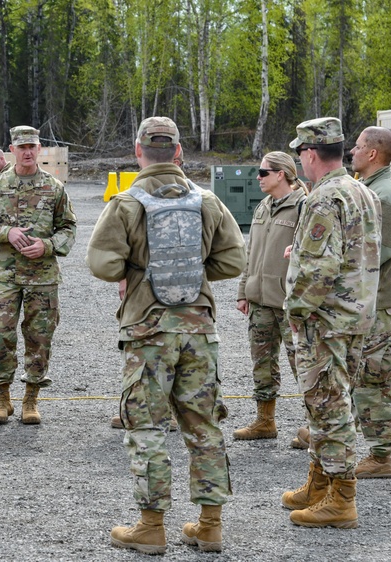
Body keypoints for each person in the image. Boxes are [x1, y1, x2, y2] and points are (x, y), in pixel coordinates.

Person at [88, 117, 246, 554]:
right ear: (178, 152)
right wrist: (193, 272)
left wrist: (141, 274)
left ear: (138, 151)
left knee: (147, 426)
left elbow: (102, 265)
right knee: (204, 425)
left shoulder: (126, 203)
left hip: (148, 328)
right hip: (199, 328)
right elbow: (233, 260)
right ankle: (210, 525)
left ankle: (151, 526)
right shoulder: (207, 200)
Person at [281, 117, 381, 529]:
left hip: (326, 320)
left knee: (328, 405)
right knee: (327, 403)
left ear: (309, 153)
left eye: (299, 153)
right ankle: (319, 483)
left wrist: (296, 311)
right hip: (354, 315)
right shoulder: (360, 189)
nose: (299, 160)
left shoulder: (324, 198)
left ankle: (341, 497)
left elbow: (318, 268)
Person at [0, 126, 77, 425]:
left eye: (32, 146)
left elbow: (69, 228)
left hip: (42, 276)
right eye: (22, 147)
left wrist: (47, 246)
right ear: (12, 149)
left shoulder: (54, 187)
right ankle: (2, 397)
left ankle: (31, 398)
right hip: (5, 275)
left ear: (40, 148)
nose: (28, 151)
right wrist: (7, 232)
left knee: (39, 337)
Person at [233, 152, 307, 441]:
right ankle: (265, 421)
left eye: (264, 172)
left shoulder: (303, 205)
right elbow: (251, 253)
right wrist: (244, 290)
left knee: (303, 366)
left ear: (282, 174)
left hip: (290, 303)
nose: (258, 177)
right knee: (262, 364)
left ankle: (316, 427)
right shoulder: (263, 206)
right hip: (259, 301)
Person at [349, 126, 391, 479]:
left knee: (376, 379)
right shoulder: (372, 190)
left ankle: (380, 455)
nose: (351, 152)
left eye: (357, 147)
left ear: (373, 154)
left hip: (380, 307)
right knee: (363, 375)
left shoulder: (383, 197)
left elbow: (377, 256)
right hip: (368, 306)